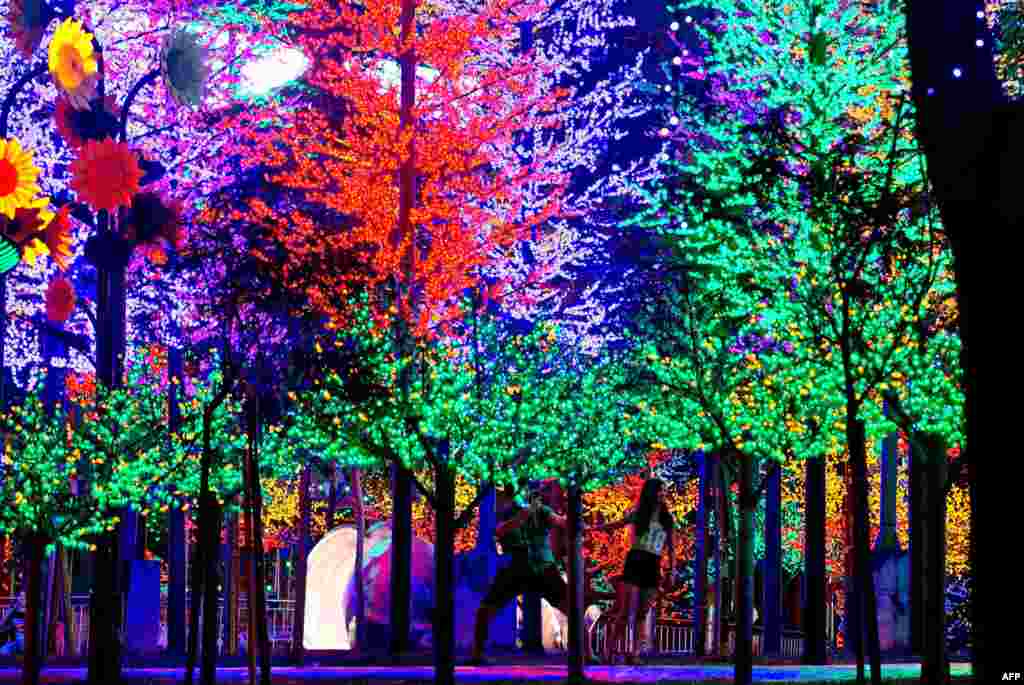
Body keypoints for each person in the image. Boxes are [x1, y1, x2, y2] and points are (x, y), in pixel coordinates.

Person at [469, 481, 569, 665]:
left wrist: (568, 517)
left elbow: (560, 521)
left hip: (541, 565)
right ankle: (477, 653)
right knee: (485, 610)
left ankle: (585, 652)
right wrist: (519, 519)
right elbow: (499, 531)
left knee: (572, 606)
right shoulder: (507, 512)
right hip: (517, 564)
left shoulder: (542, 511)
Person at [590, 478, 676, 664]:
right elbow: (617, 524)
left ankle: (634, 653)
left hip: (654, 562)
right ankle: (609, 652)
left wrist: (672, 570)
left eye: (664, 490)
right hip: (636, 559)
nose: (663, 494)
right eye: (659, 490)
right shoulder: (639, 514)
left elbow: (671, 547)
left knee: (642, 612)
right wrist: (593, 529)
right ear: (650, 492)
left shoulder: (668, 519)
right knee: (625, 609)